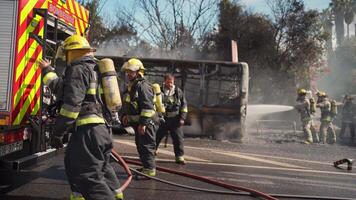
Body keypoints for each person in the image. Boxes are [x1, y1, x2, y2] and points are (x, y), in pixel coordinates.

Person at [39, 35, 123, 200]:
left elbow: (71, 105)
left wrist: (58, 132)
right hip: (102, 131)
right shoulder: (96, 68)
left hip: (88, 131)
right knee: (83, 164)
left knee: (89, 177)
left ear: (73, 52)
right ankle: (114, 195)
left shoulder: (78, 68)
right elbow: (66, 91)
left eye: (68, 53)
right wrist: (49, 71)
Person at [121, 58, 158, 177]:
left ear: (138, 72)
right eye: (127, 72)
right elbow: (129, 104)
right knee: (140, 145)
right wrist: (125, 116)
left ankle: (150, 170)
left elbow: (148, 108)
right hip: (138, 123)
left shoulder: (143, 86)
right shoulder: (132, 86)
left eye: (130, 72)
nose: (128, 74)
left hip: (146, 123)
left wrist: (143, 124)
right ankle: (146, 166)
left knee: (147, 145)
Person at [156, 73, 188, 164]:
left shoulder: (178, 92)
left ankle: (179, 157)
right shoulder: (159, 91)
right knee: (157, 136)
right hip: (163, 119)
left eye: (171, 82)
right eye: (168, 82)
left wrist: (182, 118)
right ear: (164, 81)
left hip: (175, 120)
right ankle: (152, 151)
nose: (170, 84)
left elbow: (184, 105)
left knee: (178, 138)